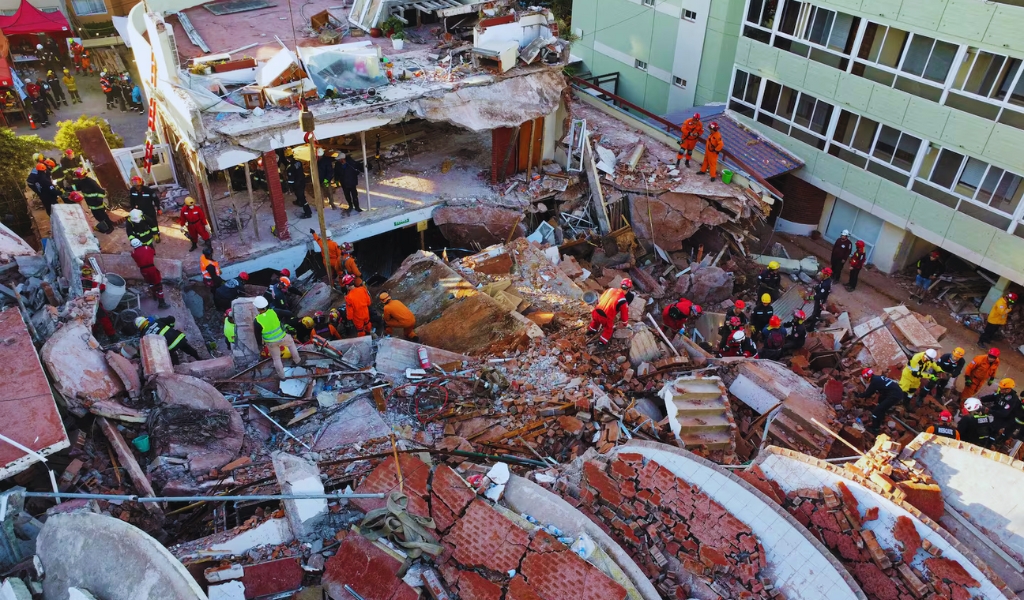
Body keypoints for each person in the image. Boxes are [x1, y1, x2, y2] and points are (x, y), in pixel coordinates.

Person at [252, 296, 302, 378]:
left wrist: (260, 345)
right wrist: (285, 321)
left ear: (257, 308)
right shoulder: (274, 312)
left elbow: (257, 335)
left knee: (276, 359)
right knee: (291, 344)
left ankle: (282, 376)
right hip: (282, 337)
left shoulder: (257, 321)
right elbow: (289, 313)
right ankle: (297, 360)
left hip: (271, 342)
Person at [587, 279, 635, 345]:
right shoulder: (623, 300)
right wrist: (625, 323)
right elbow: (624, 315)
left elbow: (601, 299)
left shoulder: (610, 290)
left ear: (620, 285)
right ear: (628, 289)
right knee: (608, 329)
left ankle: (590, 331)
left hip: (596, 312)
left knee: (595, 321)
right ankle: (602, 342)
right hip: (606, 318)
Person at [856, 368, 904, 433]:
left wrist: (858, 396)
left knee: (876, 411)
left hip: (894, 395)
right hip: (896, 392)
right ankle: (881, 417)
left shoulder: (874, 382)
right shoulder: (878, 378)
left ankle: (875, 429)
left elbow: (868, 394)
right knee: (881, 401)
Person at [135, 315, 199, 364]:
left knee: (172, 357)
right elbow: (171, 318)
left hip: (169, 347)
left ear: (139, 328)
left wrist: (136, 355)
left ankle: (177, 367)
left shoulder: (143, 336)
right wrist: (171, 326)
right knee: (188, 349)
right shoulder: (157, 321)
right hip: (178, 339)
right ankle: (199, 358)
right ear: (146, 320)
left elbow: (142, 350)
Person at [130, 238, 168, 308]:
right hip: (151, 268)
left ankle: (154, 295)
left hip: (143, 271)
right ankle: (161, 303)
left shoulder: (133, 253)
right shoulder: (147, 248)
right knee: (158, 284)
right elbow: (153, 252)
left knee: (151, 283)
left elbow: (135, 257)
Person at [982, 378, 1018, 443]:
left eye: (1002, 388)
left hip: (1005, 418)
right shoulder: (1001, 392)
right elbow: (993, 397)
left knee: (993, 428)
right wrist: (981, 399)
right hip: (996, 412)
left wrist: (990, 411)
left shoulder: (1012, 399)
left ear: (1008, 389)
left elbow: (1004, 413)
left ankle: (989, 443)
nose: (1000, 389)